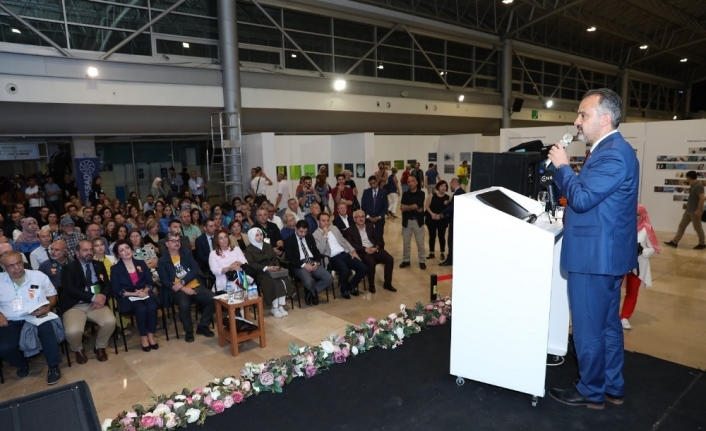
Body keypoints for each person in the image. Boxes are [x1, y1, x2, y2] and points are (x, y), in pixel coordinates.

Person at [547, 88, 639, 410]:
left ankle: (591, 390)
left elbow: (583, 199)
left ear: (605, 118)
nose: (577, 122)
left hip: (594, 257)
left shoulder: (613, 153)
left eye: (583, 115)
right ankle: (611, 386)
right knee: (607, 325)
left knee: (588, 327)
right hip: (606, 256)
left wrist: (561, 167)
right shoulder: (609, 150)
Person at [0, 251, 63, 385]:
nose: (17, 268)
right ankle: (21, 362)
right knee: (4, 347)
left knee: (47, 333)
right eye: (11, 265)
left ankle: (53, 367)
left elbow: (52, 296)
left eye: (19, 263)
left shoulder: (38, 276)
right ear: (4, 267)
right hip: (12, 320)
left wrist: (48, 307)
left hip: (37, 316)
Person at [59, 240, 116, 364]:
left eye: (90, 250)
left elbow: (106, 284)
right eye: (85, 250)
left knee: (110, 322)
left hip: (96, 303)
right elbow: (70, 289)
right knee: (73, 332)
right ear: (77, 253)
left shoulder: (98, 265)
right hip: (74, 305)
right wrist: (92, 297)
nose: (89, 253)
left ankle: (100, 347)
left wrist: (102, 297)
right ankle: (78, 350)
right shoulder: (68, 268)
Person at [158, 232, 215, 343]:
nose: (176, 243)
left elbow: (195, 270)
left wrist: (183, 282)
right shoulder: (162, 260)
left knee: (212, 298)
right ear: (167, 244)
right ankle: (188, 331)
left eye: (178, 240)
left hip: (194, 285)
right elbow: (164, 280)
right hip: (178, 290)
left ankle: (203, 326)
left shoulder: (187, 254)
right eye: (173, 241)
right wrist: (182, 288)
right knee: (184, 304)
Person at [111, 240, 160, 352]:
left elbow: (149, 281)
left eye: (127, 248)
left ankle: (151, 335)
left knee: (152, 306)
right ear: (118, 255)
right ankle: (143, 337)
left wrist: (145, 290)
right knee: (141, 309)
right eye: (122, 250)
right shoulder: (115, 269)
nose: (126, 251)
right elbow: (116, 289)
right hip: (128, 296)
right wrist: (134, 293)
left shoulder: (141, 263)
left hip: (145, 293)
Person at [620, 205, 660, 330]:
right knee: (613, 289)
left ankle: (624, 316)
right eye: (633, 213)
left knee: (632, 291)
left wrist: (643, 251)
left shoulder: (647, 229)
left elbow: (655, 247)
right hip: (620, 262)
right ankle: (609, 315)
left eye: (637, 214)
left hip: (638, 264)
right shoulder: (622, 225)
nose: (635, 216)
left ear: (642, 215)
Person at [313, 212, 367, 299]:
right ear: (318, 221)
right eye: (323, 221)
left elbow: (343, 240)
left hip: (344, 253)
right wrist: (324, 236)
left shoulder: (334, 228)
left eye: (327, 220)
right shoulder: (315, 235)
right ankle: (344, 289)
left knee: (363, 268)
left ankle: (351, 285)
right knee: (345, 270)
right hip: (332, 257)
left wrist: (352, 251)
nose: (326, 223)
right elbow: (320, 251)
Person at [245, 228, 292, 318]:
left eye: (261, 235)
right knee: (275, 283)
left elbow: (274, 258)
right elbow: (252, 263)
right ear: (251, 237)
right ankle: (274, 307)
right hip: (261, 272)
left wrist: (277, 266)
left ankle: (280, 305)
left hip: (273, 269)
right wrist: (266, 268)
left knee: (284, 280)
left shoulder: (267, 245)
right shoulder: (249, 249)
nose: (260, 237)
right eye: (257, 235)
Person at [283, 220, 333, 306]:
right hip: (299, 264)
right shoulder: (289, 240)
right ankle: (314, 294)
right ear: (296, 229)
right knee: (309, 281)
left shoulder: (309, 237)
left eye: (305, 232)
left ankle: (311, 292)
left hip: (312, 261)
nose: (303, 234)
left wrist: (316, 262)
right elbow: (290, 257)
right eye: (301, 231)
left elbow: (316, 252)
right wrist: (304, 265)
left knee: (329, 278)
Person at [344, 210, 395, 293]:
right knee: (371, 263)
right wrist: (365, 249)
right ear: (354, 219)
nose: (361, 218)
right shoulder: (350, 230)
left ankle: (387, 284)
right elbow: (352, 244)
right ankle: (371, 285)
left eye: (362, 216)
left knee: (389, 259)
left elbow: (378, 239)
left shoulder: (370, 226)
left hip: (374, 248)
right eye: (358, 217)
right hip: (363, 251)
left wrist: (376, 247)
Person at [664, 170, 705, 250]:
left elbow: (702, 198)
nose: (686, 179)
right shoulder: (693, 185)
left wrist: (699, 210)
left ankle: (702, 243)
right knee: (681, 226)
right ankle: (675, 242)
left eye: (687, 177)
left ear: (689, 177)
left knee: (698, 228)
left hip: (694, 212)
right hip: (688, 211)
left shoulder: (698, 186)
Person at [399, 176, 426, 269]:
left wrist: (408, 207)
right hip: (407, 222)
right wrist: (412, 207)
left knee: (420, 243)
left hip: (418, 222)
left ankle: (422, 260)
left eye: (412, 181)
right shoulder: (405, 194)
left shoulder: (421, 193)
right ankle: (406, 260)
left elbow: (416, 206)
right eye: (409, 181)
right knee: (406, 243)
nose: (410, 183)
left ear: (417, 182)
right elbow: (402, 207)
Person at [440, 178, 465, 266]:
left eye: (450, 185)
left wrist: (442, 213)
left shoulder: (458, 193)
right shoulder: (462, 192)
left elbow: (453, 208)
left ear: (453, 184)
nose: (450, 187)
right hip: (457, 222)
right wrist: (449, 203)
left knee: (451, 241)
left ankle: (450, 260)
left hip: (455, 222)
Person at [424, 180, 450, 261]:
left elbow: (448, 209)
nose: (443, 188)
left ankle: (442, 252)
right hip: (431, 218)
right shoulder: (432, 195)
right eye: (441, 186)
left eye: (445, 186)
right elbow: (427, 206)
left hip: (442, 220)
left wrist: (440, 216)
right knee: (432, 236)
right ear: (438, 187)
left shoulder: (448, 198)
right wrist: (432, 214)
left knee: (441, 236)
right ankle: (431, 252)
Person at [360, 175, 388, 243]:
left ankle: (380, 250)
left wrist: (379, 217)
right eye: (371, 184)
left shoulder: (383, 192)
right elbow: (363, 206)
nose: (372, 185)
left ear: (377, 181)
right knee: (369, 235)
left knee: (379, 236)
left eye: (374, 183)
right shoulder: (366, 192)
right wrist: (368, 217)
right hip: (369, 219)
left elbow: (385, 206)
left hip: (379, 219)